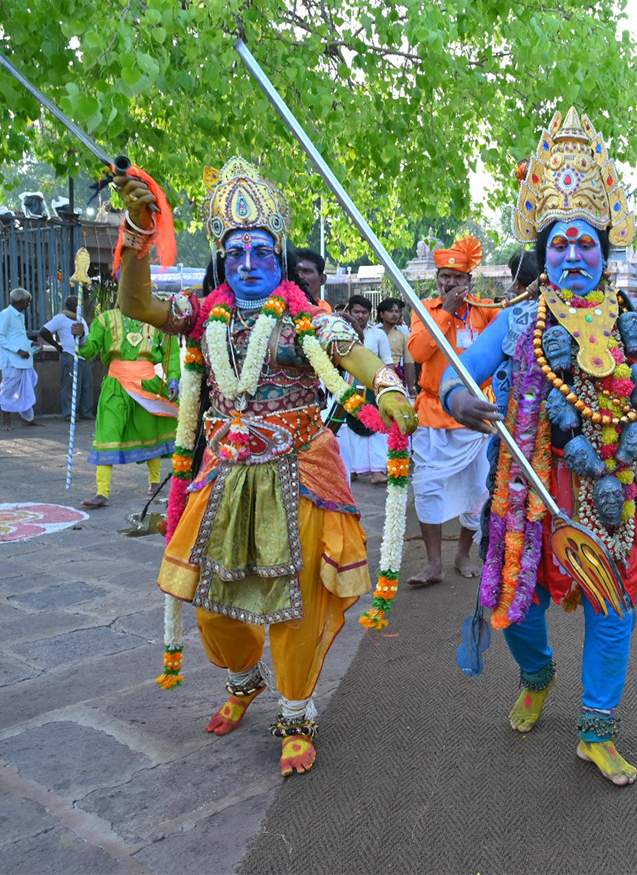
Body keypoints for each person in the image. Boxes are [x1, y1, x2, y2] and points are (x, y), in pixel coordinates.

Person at [444, 107, 637, 785]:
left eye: (585, 243)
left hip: (613, 494)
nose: (572, 256)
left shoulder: (633, 324)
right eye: (559, 243)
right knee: (514, 610)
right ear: (543, 250)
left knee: (612, 611)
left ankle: (596, 728)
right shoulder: (517, 322)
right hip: (532, 492)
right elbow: (454, 369)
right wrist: (457, 399)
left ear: (605, 249)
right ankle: (537, 675)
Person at [115, 157, 415, 777]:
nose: (249, 263)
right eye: (236, 252)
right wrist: (139, 234)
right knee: (207, 604)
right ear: (223, 259)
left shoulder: (305, 316)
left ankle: (297, 714)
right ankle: (245, 679)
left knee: (294, 605)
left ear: (278, 257)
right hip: (223, 476)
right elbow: (138, 304)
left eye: (261, 252)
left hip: (294, 476)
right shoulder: (204, 314)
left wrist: (387, 390)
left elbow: (350, 352)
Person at [407, 234, 499, 586]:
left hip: (476, 419)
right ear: (437, 280)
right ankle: (433, 563)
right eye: (444, 276)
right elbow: (417, 353)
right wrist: (445, 312)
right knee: (428, 487)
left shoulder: (486, 312)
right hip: (433, 415)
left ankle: (462, 555)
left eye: (457, 278)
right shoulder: (425, 311)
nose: (450, 283)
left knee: (478, 491)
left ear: (468, 281)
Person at [74, 299, 180, 507]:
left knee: (152, 431)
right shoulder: (105, 319)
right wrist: (81, 338)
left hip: (148, 385)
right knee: (107, 434)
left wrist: (173, 378)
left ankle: (155, 481)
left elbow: (171, 353)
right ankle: (102, 492)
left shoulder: (157, 320)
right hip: (115, 387)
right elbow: (89, 350)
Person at [336, 295, 392, 485]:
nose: (360, 316)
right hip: (345, 387)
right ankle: (351, 470)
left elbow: (387, 363)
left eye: (364, 312)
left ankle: (377, 471)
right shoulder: (339, 331)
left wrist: (390, 389)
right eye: (356, 312)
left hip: (372, 387)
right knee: (347, 430)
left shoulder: (377, 335)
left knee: (376, 427)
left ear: (370, 314)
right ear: (349, 312)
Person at [41, 295, 95, 421]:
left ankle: (85, 412)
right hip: (70, 356)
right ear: (70, 305)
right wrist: (57, 346)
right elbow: (44, 331)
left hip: (85, 357)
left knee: (87, 386)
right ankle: (69, 414)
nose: (79, 306)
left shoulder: (80, 319)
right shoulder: (61, 318)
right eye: (77, 304)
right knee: (70, 387)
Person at [1, 287, 39, 428]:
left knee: (27, 388)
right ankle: (6, 420)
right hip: (12, 361)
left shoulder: (19, 315)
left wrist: (30, 343)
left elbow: (17, 337)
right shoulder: (6, 314)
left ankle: (28, 419)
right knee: (8, 389)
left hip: (23, 361)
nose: (28, 305)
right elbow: (1, 336)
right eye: (27, 302)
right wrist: (18, 350)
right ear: (21, 302)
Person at [378, 297, 416, 390]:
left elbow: (409, 363)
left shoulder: (403, 335)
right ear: (381, 314)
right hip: (373, 377)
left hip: (395, 379)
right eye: (391, 311)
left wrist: (411, 387)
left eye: (397, 311)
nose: (395, 314)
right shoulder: (373, 332)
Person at [295, 248, 333, 313]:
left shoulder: (325, 310)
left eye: (306, 271)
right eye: (295, 271)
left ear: (322, 279)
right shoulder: (278, 307)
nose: (299, 276)